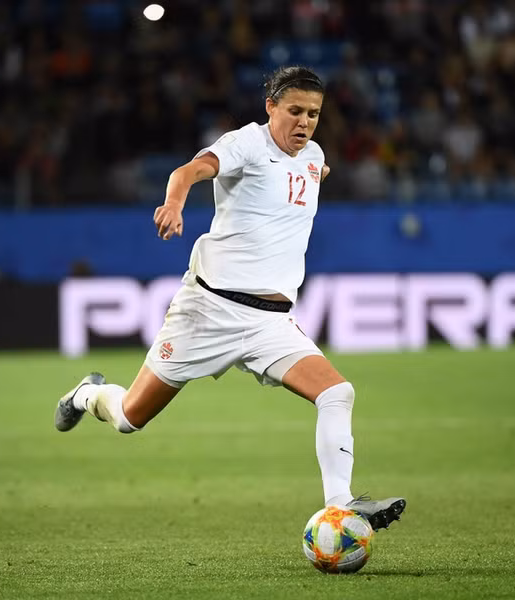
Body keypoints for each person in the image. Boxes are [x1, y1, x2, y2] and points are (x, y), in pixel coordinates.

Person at [54, 66, 406, 531]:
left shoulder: (313, 155)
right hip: (208, 311)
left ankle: (340, 505)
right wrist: (175, 202)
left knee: (337, 392)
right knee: (129, 417)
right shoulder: (245, 144)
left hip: (271, 322)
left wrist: (316, 169)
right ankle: (86, 394)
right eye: (295, 111)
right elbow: (189, 171)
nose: (304, 122)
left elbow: (304, 175)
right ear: (270, 107)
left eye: (313, 114)